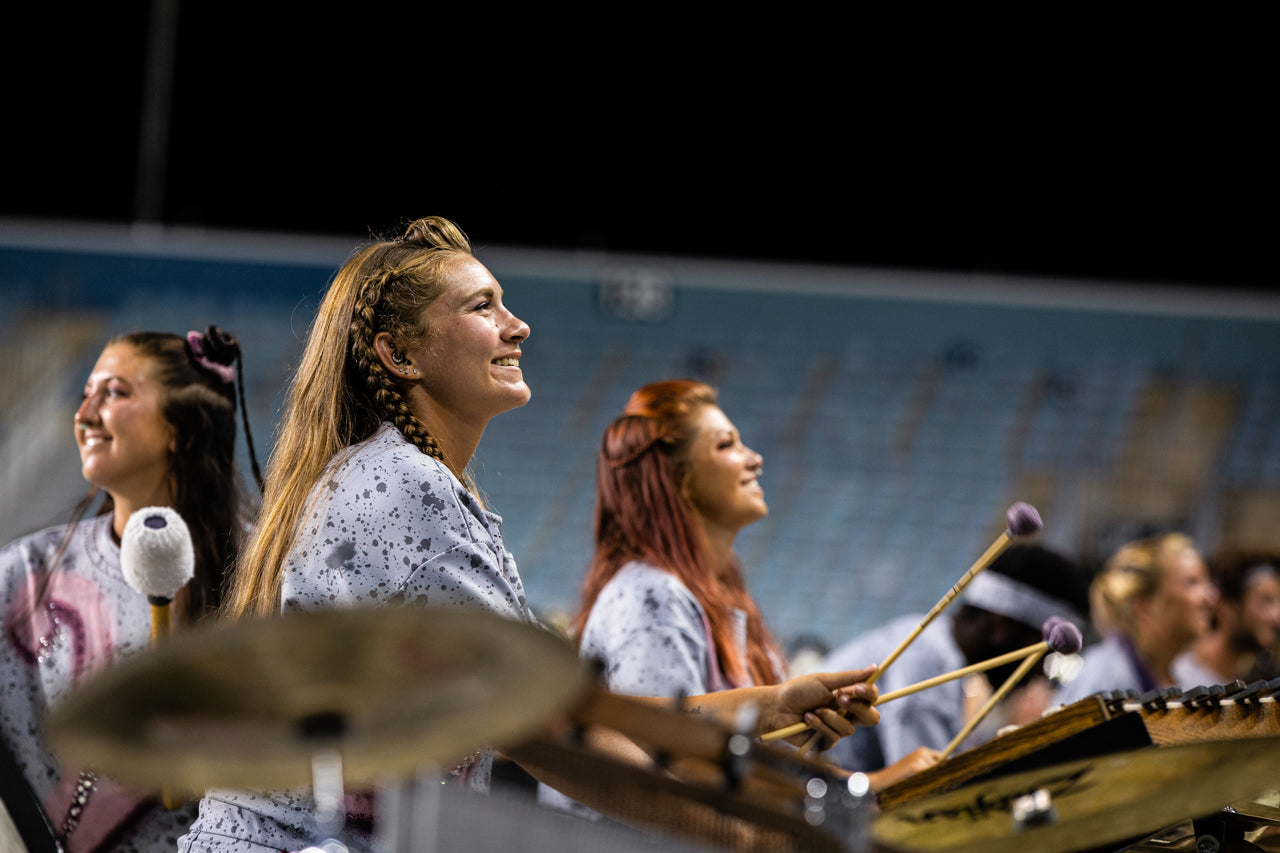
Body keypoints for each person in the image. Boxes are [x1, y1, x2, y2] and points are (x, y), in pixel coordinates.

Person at [179, 218, 879, 853]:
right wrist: (739, 830)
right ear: (399, 354)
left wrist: (766, 705)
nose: (519, 327)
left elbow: (563, 709)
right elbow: (543, 732)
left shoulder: (405, 480)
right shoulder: (401, 486)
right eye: (482, 307)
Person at [0, 327, 259, 853]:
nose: (85, 413)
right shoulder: (24, 572)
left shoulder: (264, 574)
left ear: (182, 429)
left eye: (115, 393)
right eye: (85, 393)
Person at [822, 544, 1091, 775]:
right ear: (1003, 625)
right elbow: (925, 793)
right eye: (1043, 654)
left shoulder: (929, 642)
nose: (1040, 674)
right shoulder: (927, 665)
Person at [1056, 532, 1216, 704]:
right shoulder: (1104, 674)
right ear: (1144, 605)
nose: (1211, 596)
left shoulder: (1187, 678)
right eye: (1192, 582)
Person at [1172, 547, 1280, 687]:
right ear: (1226, 608)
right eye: (1266, 601)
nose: (1276, 618)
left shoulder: (1248, 686)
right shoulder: (1175, 676)